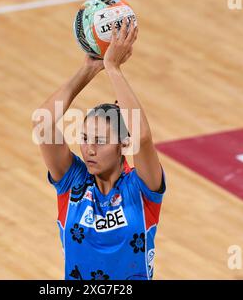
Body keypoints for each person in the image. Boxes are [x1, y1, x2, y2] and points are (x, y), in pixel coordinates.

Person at [34, 18, 166, 280]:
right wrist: (88, 70)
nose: (89, 149)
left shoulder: (141, 188)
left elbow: (142, 138)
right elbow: (42, 121)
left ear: (123, 144)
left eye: (100, 140)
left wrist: (114, 69)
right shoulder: (73, 182)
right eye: (84, 138)